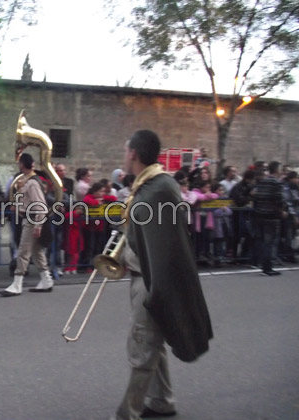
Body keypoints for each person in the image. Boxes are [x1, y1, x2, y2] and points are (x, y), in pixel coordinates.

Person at [114, 130, 213, 420]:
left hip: (151, 279)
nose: (124, 155)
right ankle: (161, 400)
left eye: (125, 150)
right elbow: (141, 234)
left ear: (133, 153)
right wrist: (121, 255)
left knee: (142, 347)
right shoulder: (147, 186)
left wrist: (156, 287)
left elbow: (163, 246)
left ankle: (127, 414)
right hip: (142, 274)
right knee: (151, 344)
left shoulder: (158, 189)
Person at [0, 153, 54, 296]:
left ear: (22, 164)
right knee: (36, 252)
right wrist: (18, 207)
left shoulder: (32, 182)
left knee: (23, 251)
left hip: (32, 220)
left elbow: (40, 206)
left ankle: (17, 284)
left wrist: (38, 225)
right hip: (30, 218)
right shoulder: (28, 180)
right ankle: (46, 280)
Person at [252, 161, 285, 276]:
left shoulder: (262, 181)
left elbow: (256, 196)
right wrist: (281, 211)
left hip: (260, 214)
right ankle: (267, 267)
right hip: (271, 216)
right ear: (276, 170)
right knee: (269, 242)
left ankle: (261, 263)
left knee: (262, 241)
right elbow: (279, 199)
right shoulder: (277, 183)